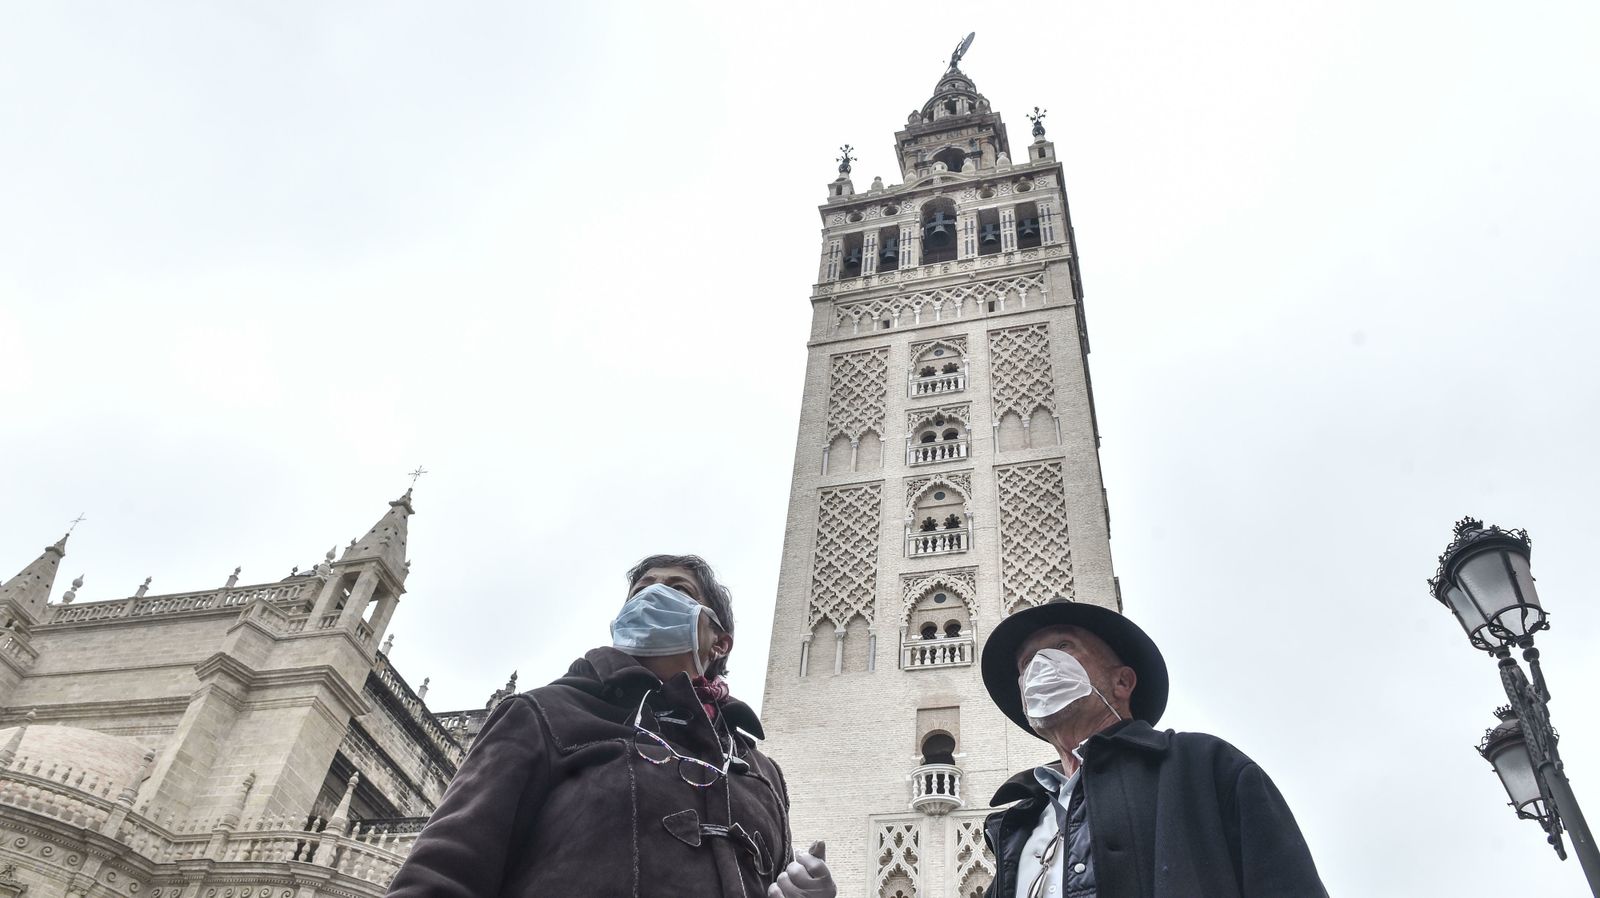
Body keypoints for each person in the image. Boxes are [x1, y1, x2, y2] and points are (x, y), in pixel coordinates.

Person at [386, 554, 835, 898]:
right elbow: (440, 873)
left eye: (678, 589)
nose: (653, 596)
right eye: (641, 589)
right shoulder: (546, 713)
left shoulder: (759, 772)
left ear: (720, 641)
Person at [978, 601, 1327, 898]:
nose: (1039, 666)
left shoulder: (1203, 767)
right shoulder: (1017, 825)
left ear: (1122, 681)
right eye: (1026, 664)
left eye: (1063, 646)